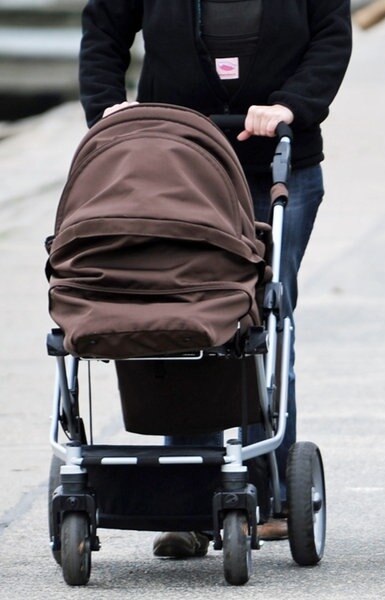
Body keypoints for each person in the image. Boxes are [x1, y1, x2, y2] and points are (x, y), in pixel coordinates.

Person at [79, 0, 352, 557]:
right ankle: (188, 498)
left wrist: (290, 106)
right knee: (179, 311)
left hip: (275, 166)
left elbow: (331, 40)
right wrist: (107, 110)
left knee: (263, 317)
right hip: (168, 169)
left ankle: (266, 487)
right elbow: (104, 29)